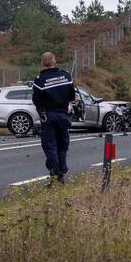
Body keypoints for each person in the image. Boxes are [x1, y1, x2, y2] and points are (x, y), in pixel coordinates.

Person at [32, 51, 76, 186]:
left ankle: (55, 173)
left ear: (42, 63)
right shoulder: (66, 76)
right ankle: (61, 174)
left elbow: (36, 101)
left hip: (48, 117)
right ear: (54, 61)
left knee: (50, 146)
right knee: (62, 145)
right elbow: (72, 97)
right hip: (63, 115)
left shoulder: (40, 80)